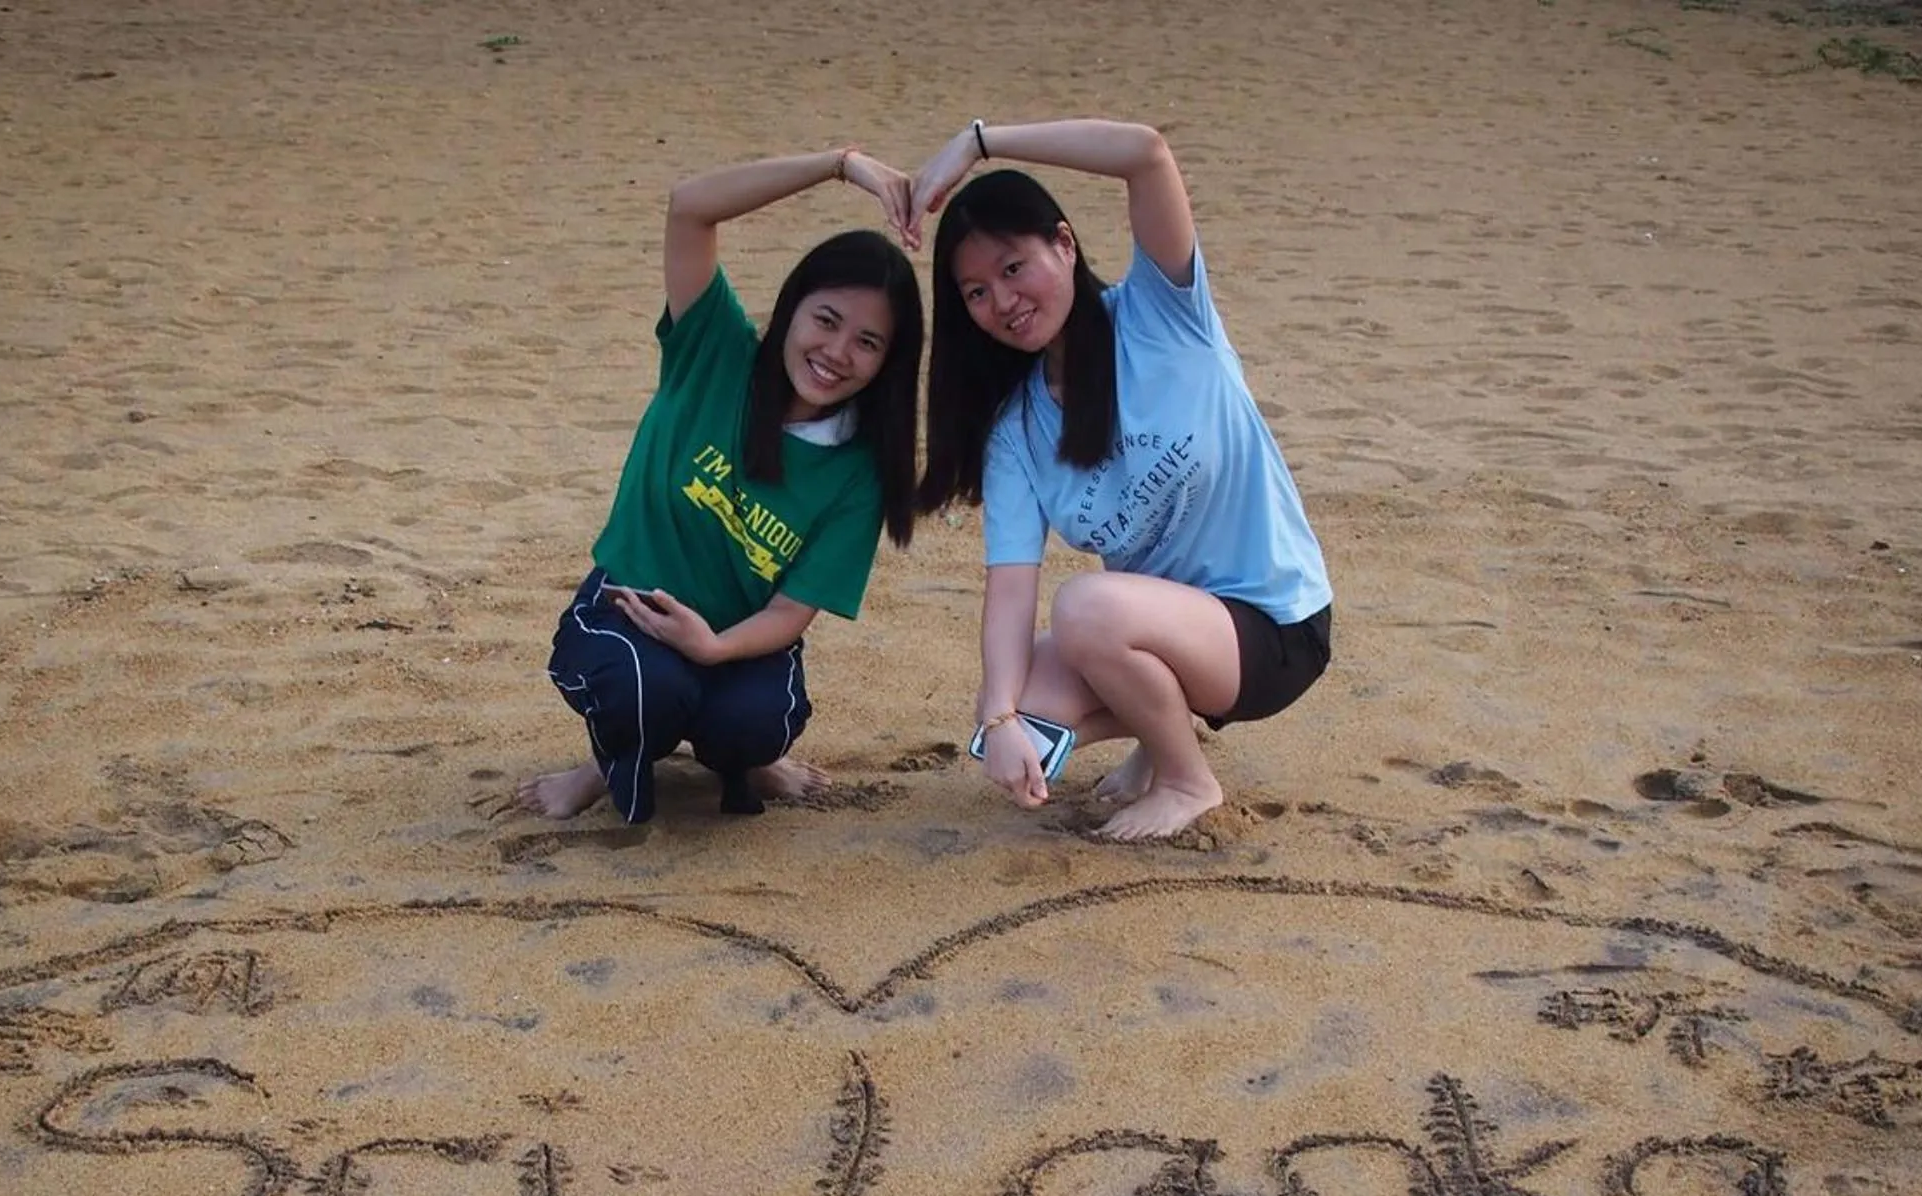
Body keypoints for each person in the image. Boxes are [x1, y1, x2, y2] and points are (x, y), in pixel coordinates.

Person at [911, 118, 1334, 842]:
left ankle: (1186, 778)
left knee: (1085, 608)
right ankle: (1158, 728)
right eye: (976, 292)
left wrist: (980, 143)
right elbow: (1009, 588)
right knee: (1023, 710)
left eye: (1013, 268)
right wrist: (999, 717)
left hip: (1275, 628)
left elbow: (1146, 154)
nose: (1003, 301)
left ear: (1065, 244)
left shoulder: (1162, 313)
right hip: (1169, 633)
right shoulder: (1016, 427)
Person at [511, 149, 923, 824]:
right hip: (630, 608)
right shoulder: (716, 349)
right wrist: (841, 165)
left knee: (755, 723)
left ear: (887, 363)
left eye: (867, 342)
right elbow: (691, 207)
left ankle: (749, 763)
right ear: (792, 309)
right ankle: (603, 765)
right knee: (641, 692)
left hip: (738, 639)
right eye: (826, 320)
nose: (837, 353)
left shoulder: (858, 469)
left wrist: (715, 647)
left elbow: (790, 612)